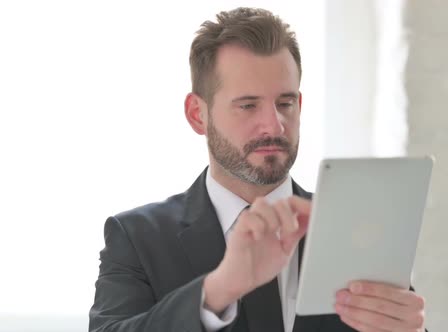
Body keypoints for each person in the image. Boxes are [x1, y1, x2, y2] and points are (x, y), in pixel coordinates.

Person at [89, 7, 426, 332]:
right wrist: (219, 290)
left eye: (285, 103)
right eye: (248, 105)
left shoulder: (355, 229)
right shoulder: (136, 237)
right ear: (197, 114)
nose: (274, 126)